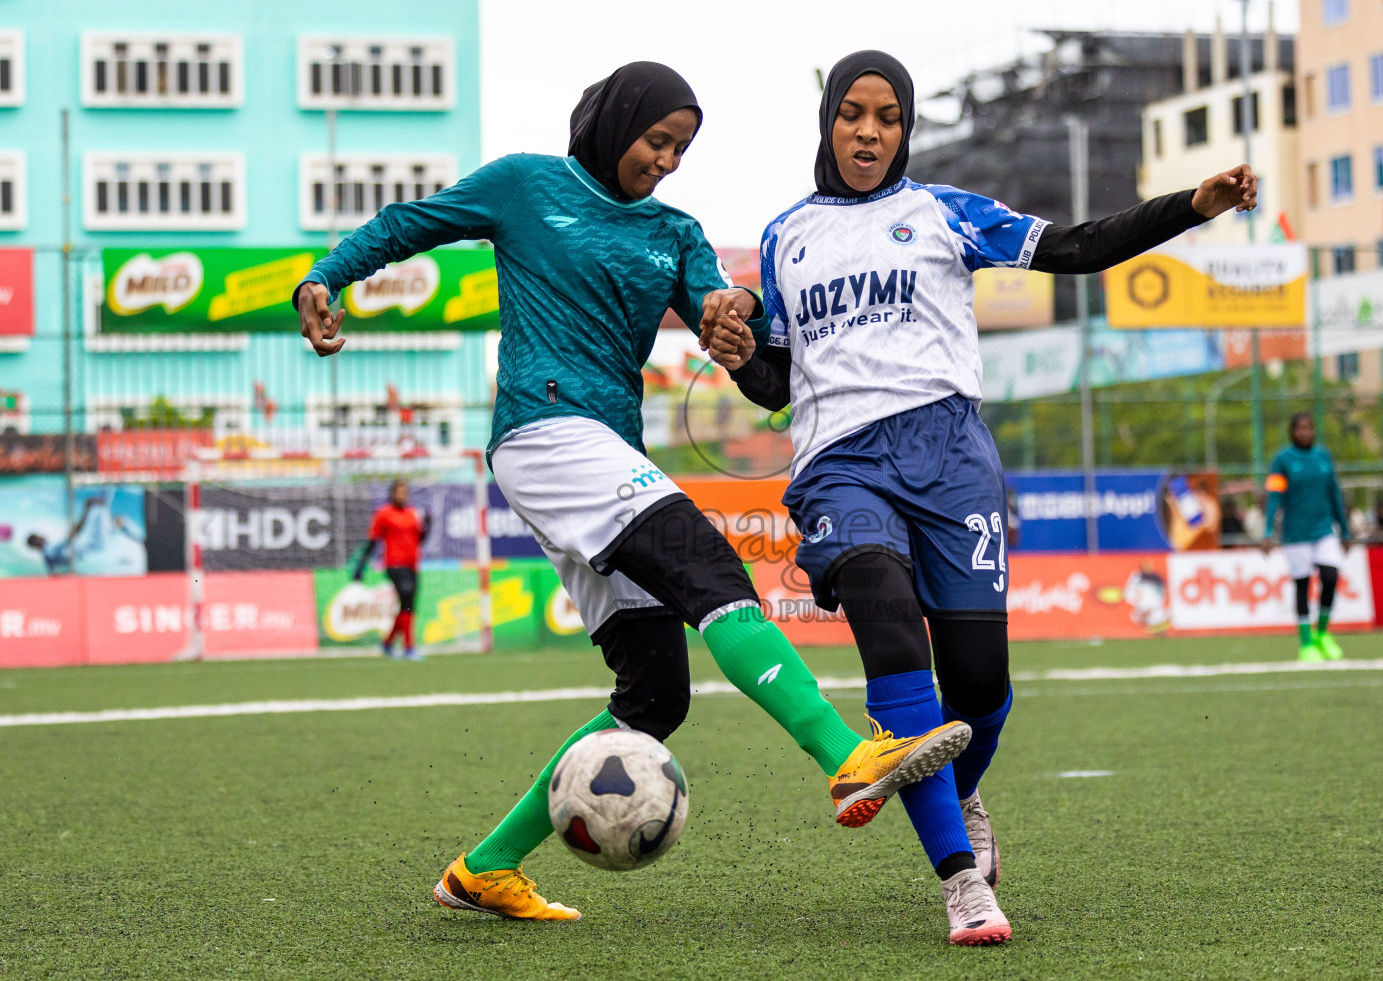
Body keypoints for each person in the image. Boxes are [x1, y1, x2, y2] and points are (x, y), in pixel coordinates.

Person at [293, 61, 969, 926]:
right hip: (543, 433)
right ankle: (845, 755)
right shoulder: (524, 186)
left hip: (604, 449)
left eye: (682, 148)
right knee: (709, 567)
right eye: (657, 141)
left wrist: (733, 313)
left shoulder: (676, 231)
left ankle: (484, 869)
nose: (667, 161)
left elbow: (728, 313)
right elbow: (405, 225)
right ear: (614, 124)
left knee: (655, 697)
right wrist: (325, 276)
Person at [703, 49, 1256, 945]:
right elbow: (777, 382)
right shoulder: (784, 236)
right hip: (841, 460)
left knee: (981, 689)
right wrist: (739, 359)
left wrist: (1192, 207)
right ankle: (962, 880)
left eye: (887, 116)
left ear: (906, 126)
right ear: (829, 122)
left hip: (951, 455)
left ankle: (958, 793)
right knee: (885, 615)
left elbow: (1077, 248)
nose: (869, 131)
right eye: (853, 113)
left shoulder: (944, 214)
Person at [1259, 412, 1350, 661]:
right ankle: (1306, 643)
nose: (1304, 433)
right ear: (1292, 432)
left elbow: (1334, 492)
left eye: (1308, 428)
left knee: (1330, 576)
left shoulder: (1323, 456)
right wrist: (1267, 532)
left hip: (1323, 529)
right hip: (1296, 533)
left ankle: (1322, 633)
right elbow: (1274, 497)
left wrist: (1345, 529)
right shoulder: (1282, 460)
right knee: (1303, 585)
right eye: (1300, 428)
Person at [354, 479, 431, 660]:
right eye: (399, 492)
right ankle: (409, 648)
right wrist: (361, 567)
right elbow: (372, 542)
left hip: (412, 565)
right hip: (394, 565)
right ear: (392, 494)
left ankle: (387, 643)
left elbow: (420, 540)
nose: (402, 495)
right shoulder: (384, 514)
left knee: (408, 605)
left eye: (405, 492)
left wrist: (429, 525)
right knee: (407, 601)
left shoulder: (413, 514)